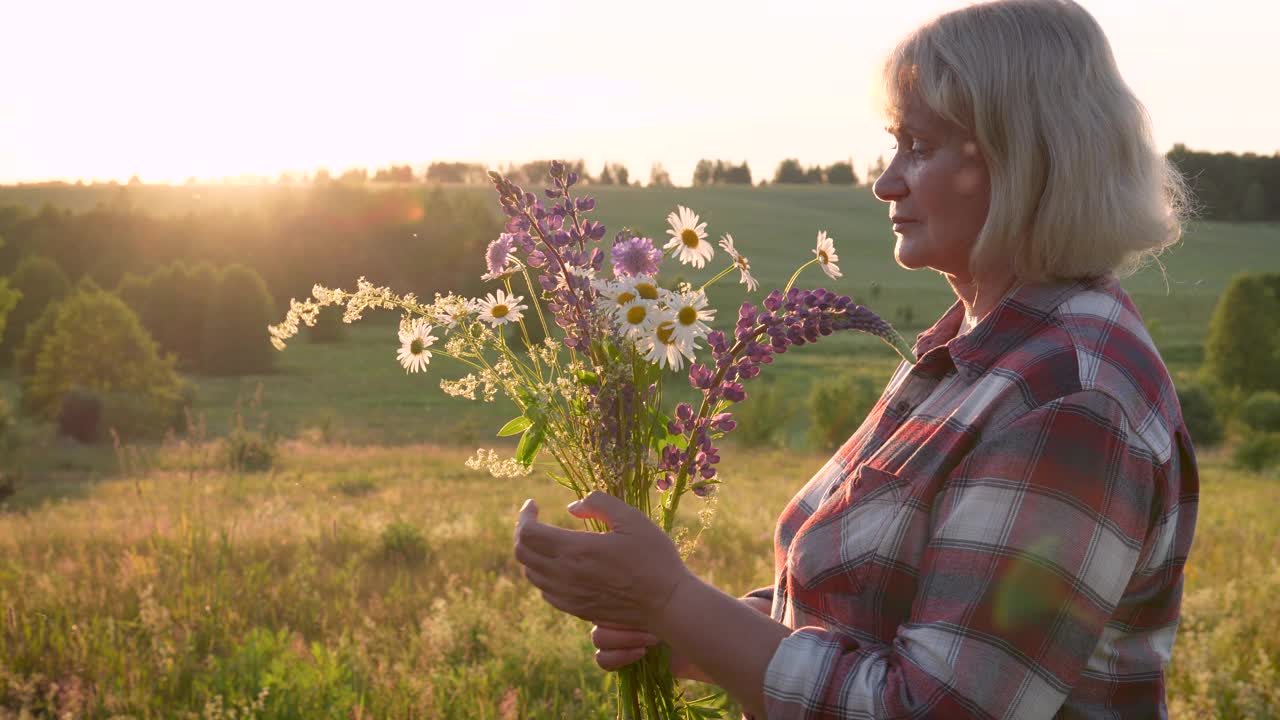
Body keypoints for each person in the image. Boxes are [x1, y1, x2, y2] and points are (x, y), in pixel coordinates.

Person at [513, 0, 1199, 716]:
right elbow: (867, 617)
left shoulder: (1069, 399)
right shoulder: (974, 354)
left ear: (1023, 157)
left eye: (921, 147)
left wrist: (669, 597)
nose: (885, 182)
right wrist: (687, 628)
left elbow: (934, 709)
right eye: (894, 143)